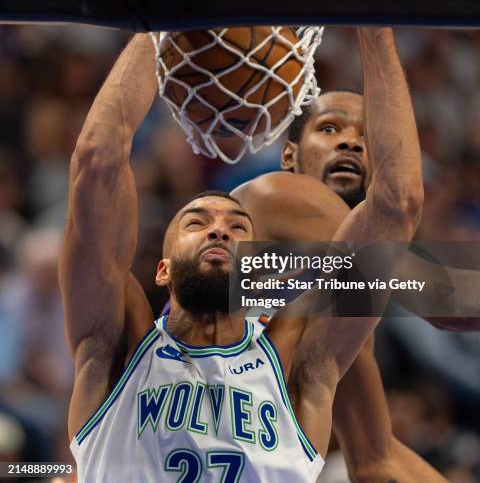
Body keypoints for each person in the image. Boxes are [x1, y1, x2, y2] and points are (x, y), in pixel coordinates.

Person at [60, 29, 422, 482]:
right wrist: (155, 28)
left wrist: (375, 27)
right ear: (162, 269)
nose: (218, 228)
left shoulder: (299, 370)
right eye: (196, 223)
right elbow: (97, 158)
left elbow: (397, 205)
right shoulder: (114, 351)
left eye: (237, 227)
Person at [232, 28, 451, 482]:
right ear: (289, 156)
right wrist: (375, 21)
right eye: (329, 128)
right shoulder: (277, 194)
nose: (350, 142)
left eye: (367, 135)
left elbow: (376, 459)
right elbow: (449, 298)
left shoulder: (340, 289)